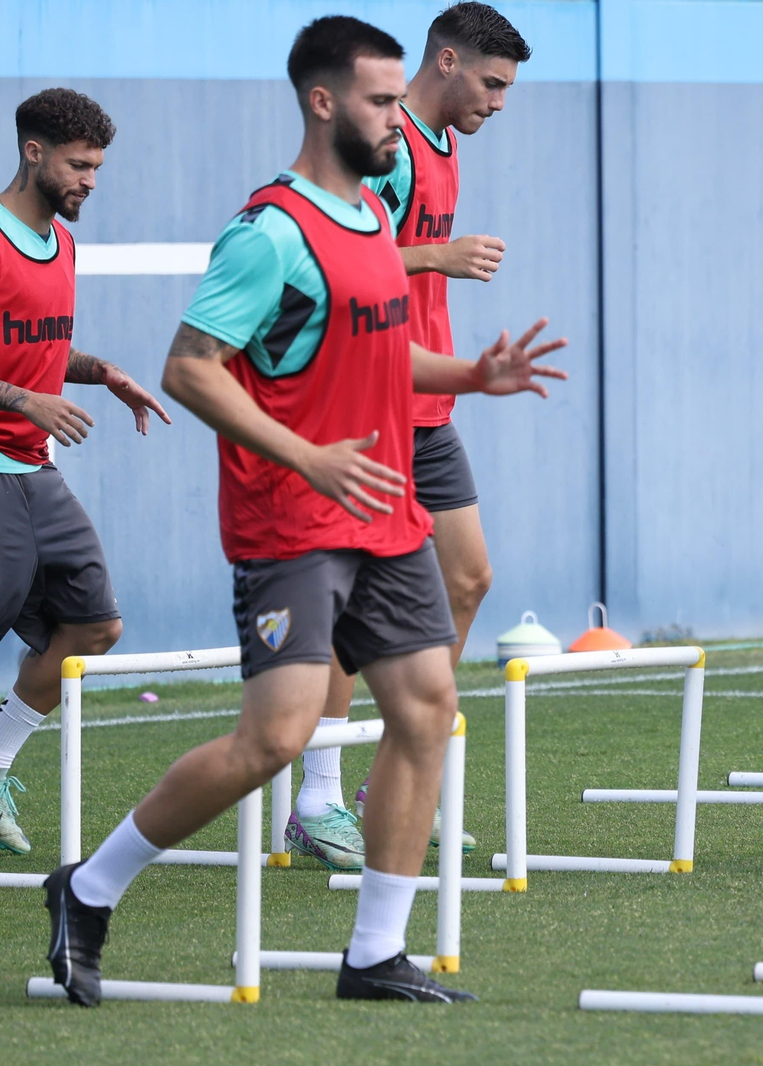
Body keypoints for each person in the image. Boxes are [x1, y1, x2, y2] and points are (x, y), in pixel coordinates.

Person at [42, 15, 566, 1006]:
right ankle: (90, 886)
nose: (393, 117)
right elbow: (190, 368)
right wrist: (304, 456)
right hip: (290, 517)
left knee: (425, 708)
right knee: (275, 738)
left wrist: (473, 373)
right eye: (378, 101)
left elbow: (373, 351)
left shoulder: (372, 220)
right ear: (324, 103)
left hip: (385, 511)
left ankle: (374, 953)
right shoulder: (268, 232)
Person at [289, 1, 532, 871]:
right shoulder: (385, 151)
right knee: (354, 608)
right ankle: (316, 797)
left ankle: (390, 775)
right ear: (445, 59)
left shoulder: (448, 148)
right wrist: (437, 255)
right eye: (492, 84)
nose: (498, 103)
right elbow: (340, 261)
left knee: (468, 576)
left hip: (425, 405)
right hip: (366, 402)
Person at [0, 89, 170, 857]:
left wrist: (101, 371)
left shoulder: (61, 244)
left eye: (97, 166)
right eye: (79, 164)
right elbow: (19, 376)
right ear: (34, 153)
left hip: (36, 472)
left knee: (96, 622)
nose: (91, 180)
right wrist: (25, 396)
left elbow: (38, 346)